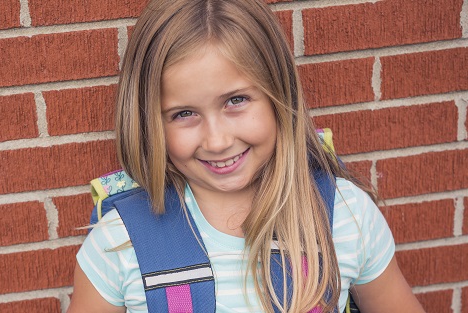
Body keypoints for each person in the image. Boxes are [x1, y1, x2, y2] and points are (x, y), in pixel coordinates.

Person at [68, 0, 425, 312]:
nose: (218, 140)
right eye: (183, 114)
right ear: (149, 123)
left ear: (277, 96)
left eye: (236, 101)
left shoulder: (345, 218)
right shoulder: (119, 243)